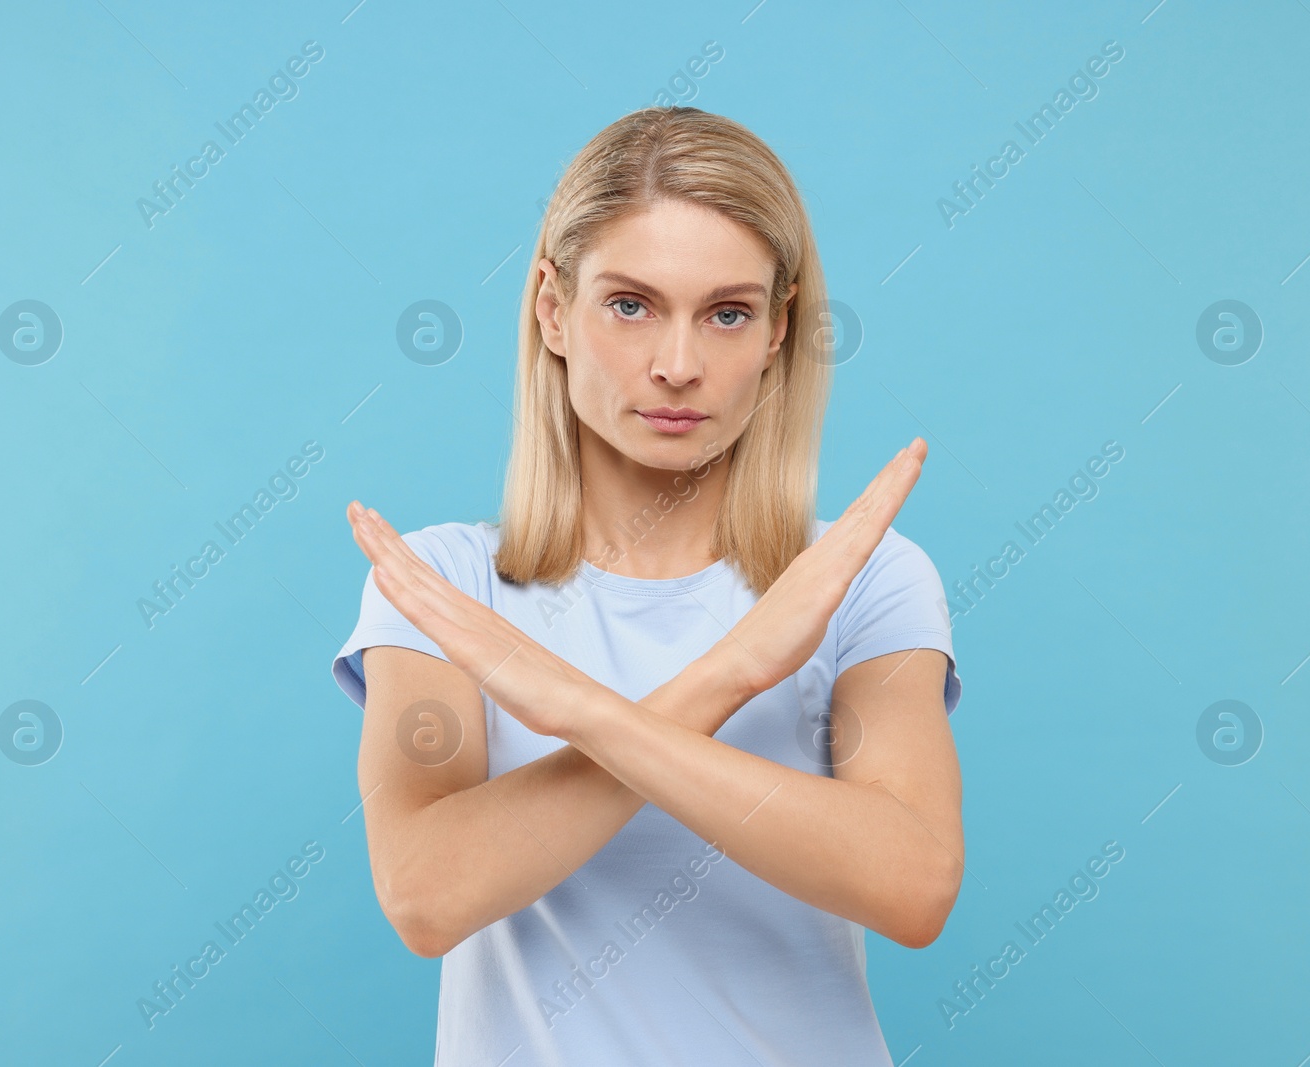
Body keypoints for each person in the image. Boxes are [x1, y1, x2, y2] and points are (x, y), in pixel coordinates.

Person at [331, 105, 964, 1067]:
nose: (679, 365)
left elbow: (913, 885)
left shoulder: (862, 579)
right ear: (552, 308)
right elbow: (426, 895)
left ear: (778, 330)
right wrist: (729, 674)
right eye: (630, 304)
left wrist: (579, 708)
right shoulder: (448, 586)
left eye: (728, 312)